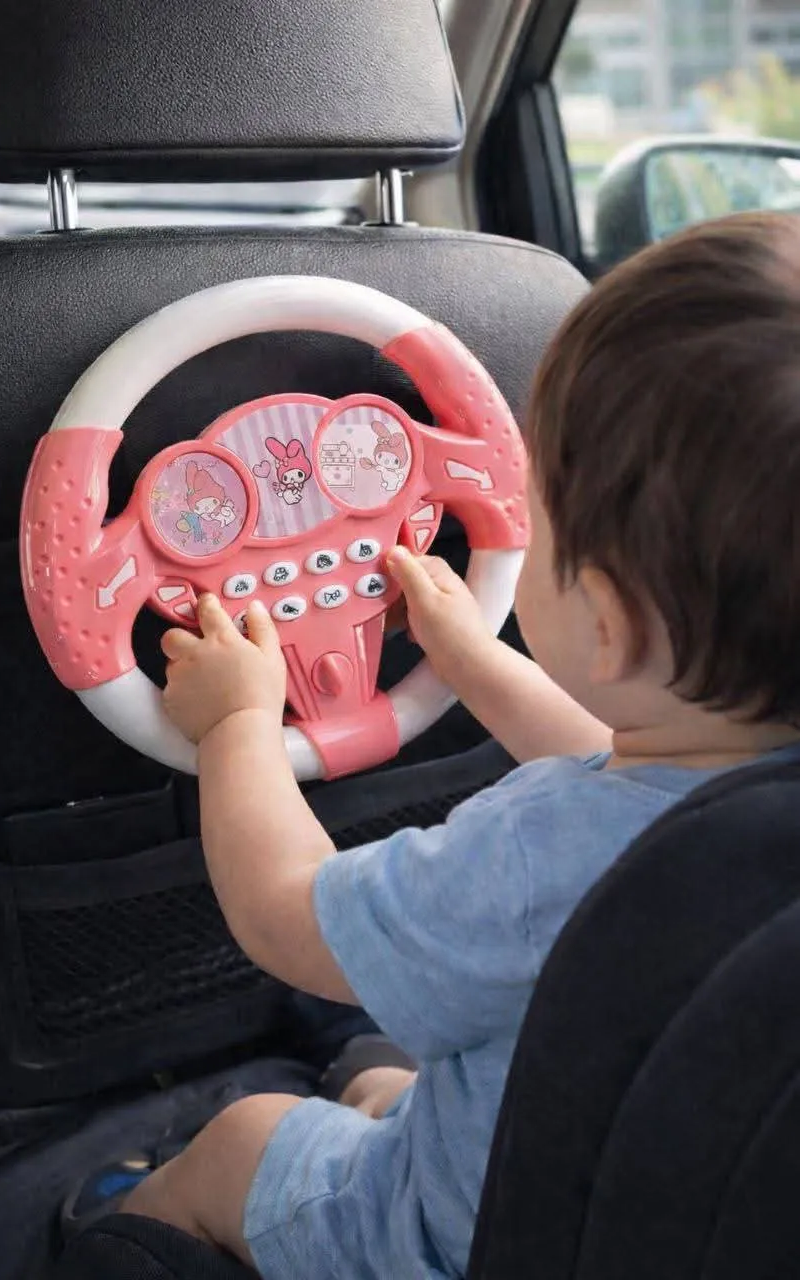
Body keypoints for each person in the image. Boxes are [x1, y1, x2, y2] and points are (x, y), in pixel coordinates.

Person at [117, 212, 800, 1277]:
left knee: (242, 1138)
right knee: (388, 1087)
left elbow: (286, 917)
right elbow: (613, 756)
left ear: (605, 621)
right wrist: (470, 656)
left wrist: (239, 722)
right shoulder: (743, 808)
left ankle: (115, 1229)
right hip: (639, 1192)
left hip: (459, 1242)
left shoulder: (537, 853)